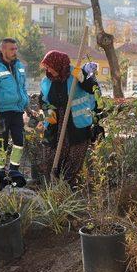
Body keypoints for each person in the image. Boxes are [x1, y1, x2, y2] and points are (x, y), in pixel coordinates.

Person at [37, 51, 96, 185]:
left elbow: (93, 89)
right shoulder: (47, 80)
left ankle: (67, 184)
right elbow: (42, 100)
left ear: (58, 64)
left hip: (76, 123)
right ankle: (53, 183)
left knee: (74, 155)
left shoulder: (76, 74)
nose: (47, 69)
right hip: (55, 124)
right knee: (50, 154)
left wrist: (83, 78)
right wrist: (47, 111)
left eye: (49, 66)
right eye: (46, 66)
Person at [0, 38, 29, 170]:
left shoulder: (19, 66)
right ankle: (0, 171)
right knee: (0, 145)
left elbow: (22, 88)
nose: (15, 51)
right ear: (3, 50)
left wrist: (26, 105)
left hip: (17, 111)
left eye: (16, 49)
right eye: (11, 49)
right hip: (1, 113)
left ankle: (14, 172)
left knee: (19, 143)